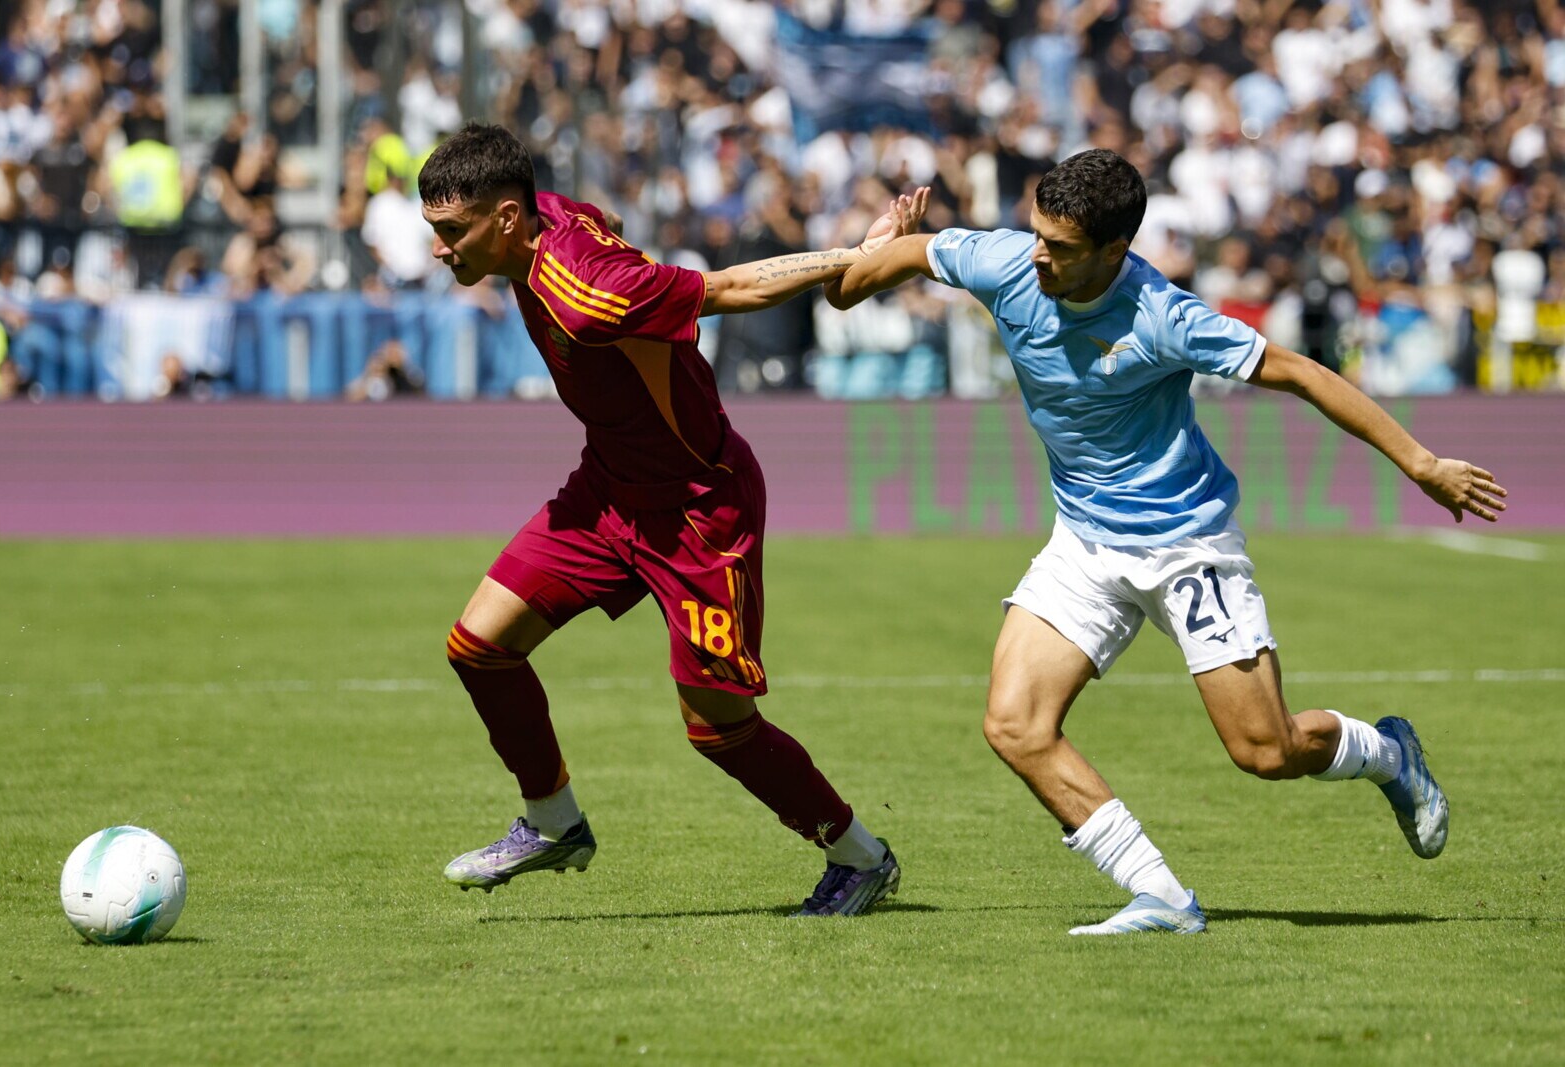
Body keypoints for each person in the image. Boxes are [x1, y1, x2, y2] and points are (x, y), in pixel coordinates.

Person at [829, 149, 1507, 935]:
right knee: (1015, 723)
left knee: (1266, 750)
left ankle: (1388, 752)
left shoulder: (1163, 315)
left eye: (1061, 247)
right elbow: (849, 290)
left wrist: (1422, 463)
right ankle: (1163, 896)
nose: (1039, 256)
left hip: (1187, 544)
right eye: (1038, 234)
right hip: (1085, 544)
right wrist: (872, 247)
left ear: (1115, 250)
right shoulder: (1003, 261)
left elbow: (1301, 373)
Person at [417, 122, 928, 916]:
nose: (440, 249)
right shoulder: (552, 214)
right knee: (479, 645)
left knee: (716, 725)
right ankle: (554, 822)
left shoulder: (591, 294)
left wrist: (853, 254)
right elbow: (608, 220)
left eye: (452, 231)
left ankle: (860, 856)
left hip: (698, 510)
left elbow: (732, 289)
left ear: (508, 217)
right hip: (607, 490)